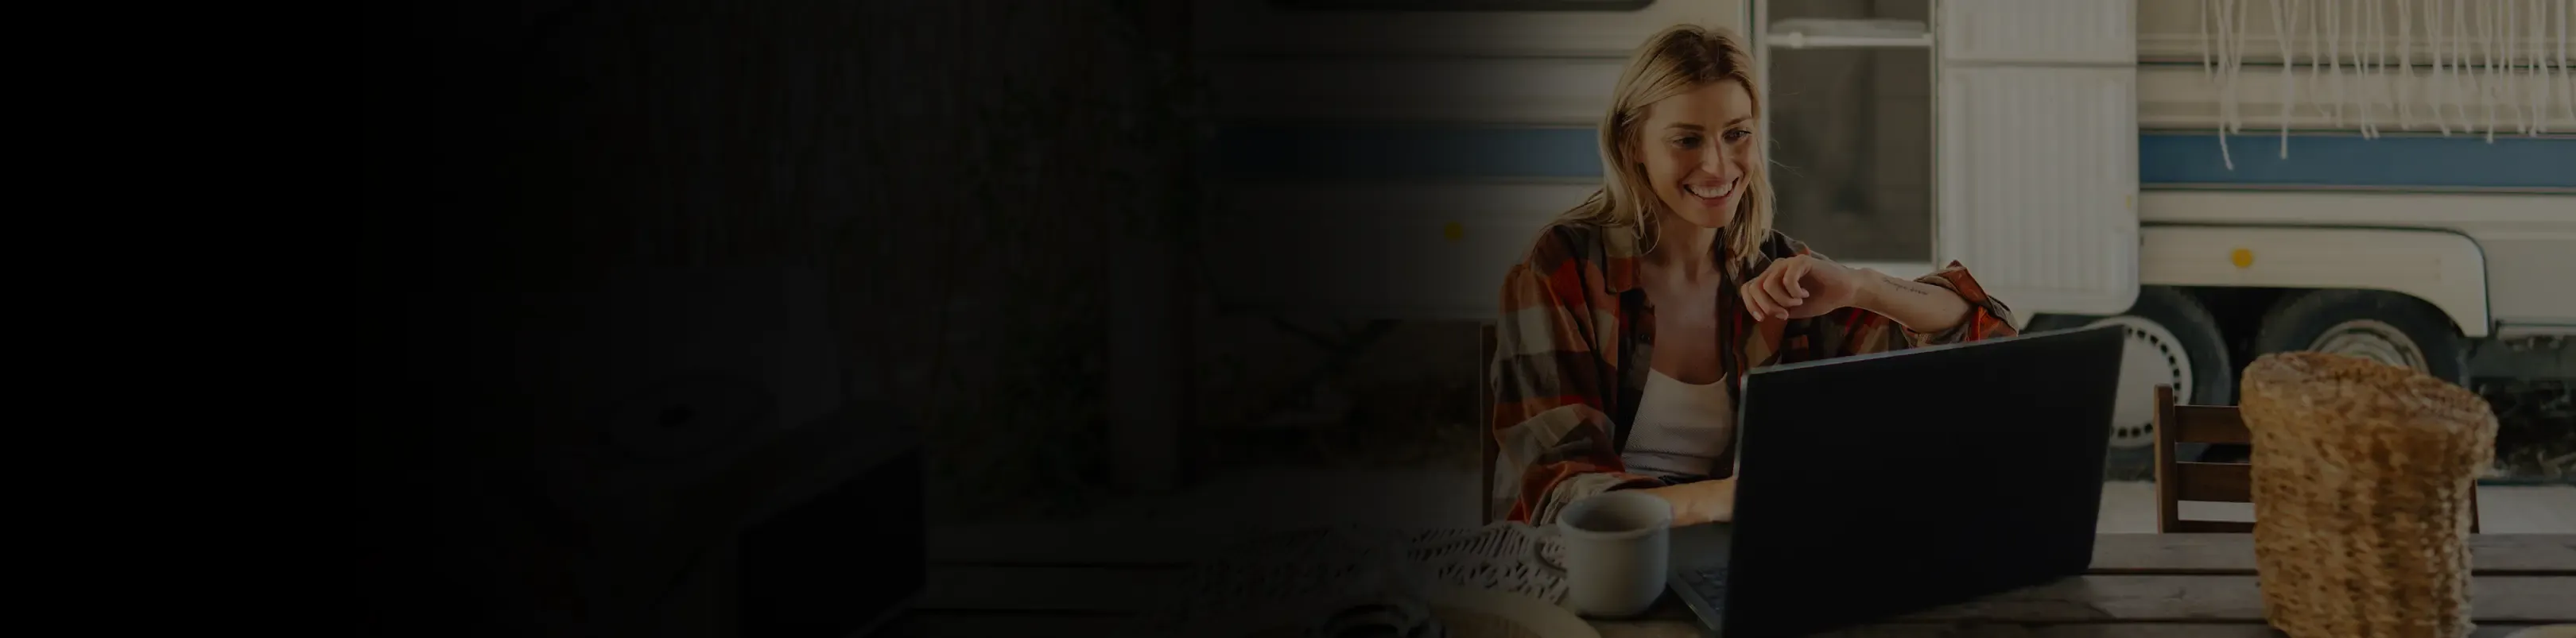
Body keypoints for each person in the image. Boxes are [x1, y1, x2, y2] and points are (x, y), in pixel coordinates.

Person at [1488, 24, 2019, 528]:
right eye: (1687, 140)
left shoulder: (1777, 271)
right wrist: (1732, 496)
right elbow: (1560, 495)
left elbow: (1985, 340)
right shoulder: (1561, 268)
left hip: (1726, 570)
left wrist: (1863, 286)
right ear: (1633, 146)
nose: (1719, 167)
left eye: (1736, 134)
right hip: (1578, 577)